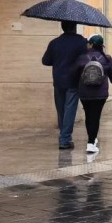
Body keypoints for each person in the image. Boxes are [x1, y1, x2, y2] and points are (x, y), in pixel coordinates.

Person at [41, 21, 89, 150]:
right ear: (75, 27)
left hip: (58, 80)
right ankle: (64, 138)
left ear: (62, 27)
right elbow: (87, 60)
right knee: (70, 109)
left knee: (61, 110)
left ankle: (64, 136)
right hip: (73, 81)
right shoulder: (81, 42)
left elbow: (45, 61)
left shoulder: (55, 42)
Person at [70, 35, 112, 153]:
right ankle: (91, 142)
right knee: (95, 117)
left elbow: (73, 74)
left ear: (91, 45)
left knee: (89, 116)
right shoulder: (107, 58)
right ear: (102, 46)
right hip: (100, 94)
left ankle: (92, 140)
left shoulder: (82, 58)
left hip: (85, 93)